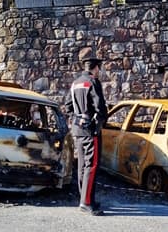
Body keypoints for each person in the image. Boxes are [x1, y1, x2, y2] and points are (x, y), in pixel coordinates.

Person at [64, 57, 108, 216]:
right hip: (90, 130)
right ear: (95, 68)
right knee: (92, 165)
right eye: (99, 68)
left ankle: (85, 198)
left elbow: (68, 106)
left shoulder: (75, 83)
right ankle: (86, 202)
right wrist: (99, 123)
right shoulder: (93, 82)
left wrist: (78, 119)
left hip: (78, 129)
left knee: (82, 165)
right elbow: (101, 108)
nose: (99, 71)